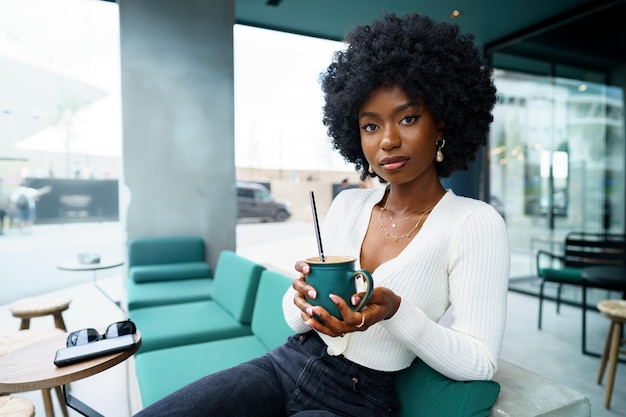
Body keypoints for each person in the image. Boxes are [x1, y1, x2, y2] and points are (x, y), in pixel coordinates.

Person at [134, 12, 509, 417]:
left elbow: (479, 360)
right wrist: (302, 299)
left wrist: (396, 312)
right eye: (370, 125)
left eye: (408, 118)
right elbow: (292, 321)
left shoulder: (473, 223)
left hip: (357, 399)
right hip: (286, 364)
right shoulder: (349, 205)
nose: (387, 140)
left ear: (443, 123)